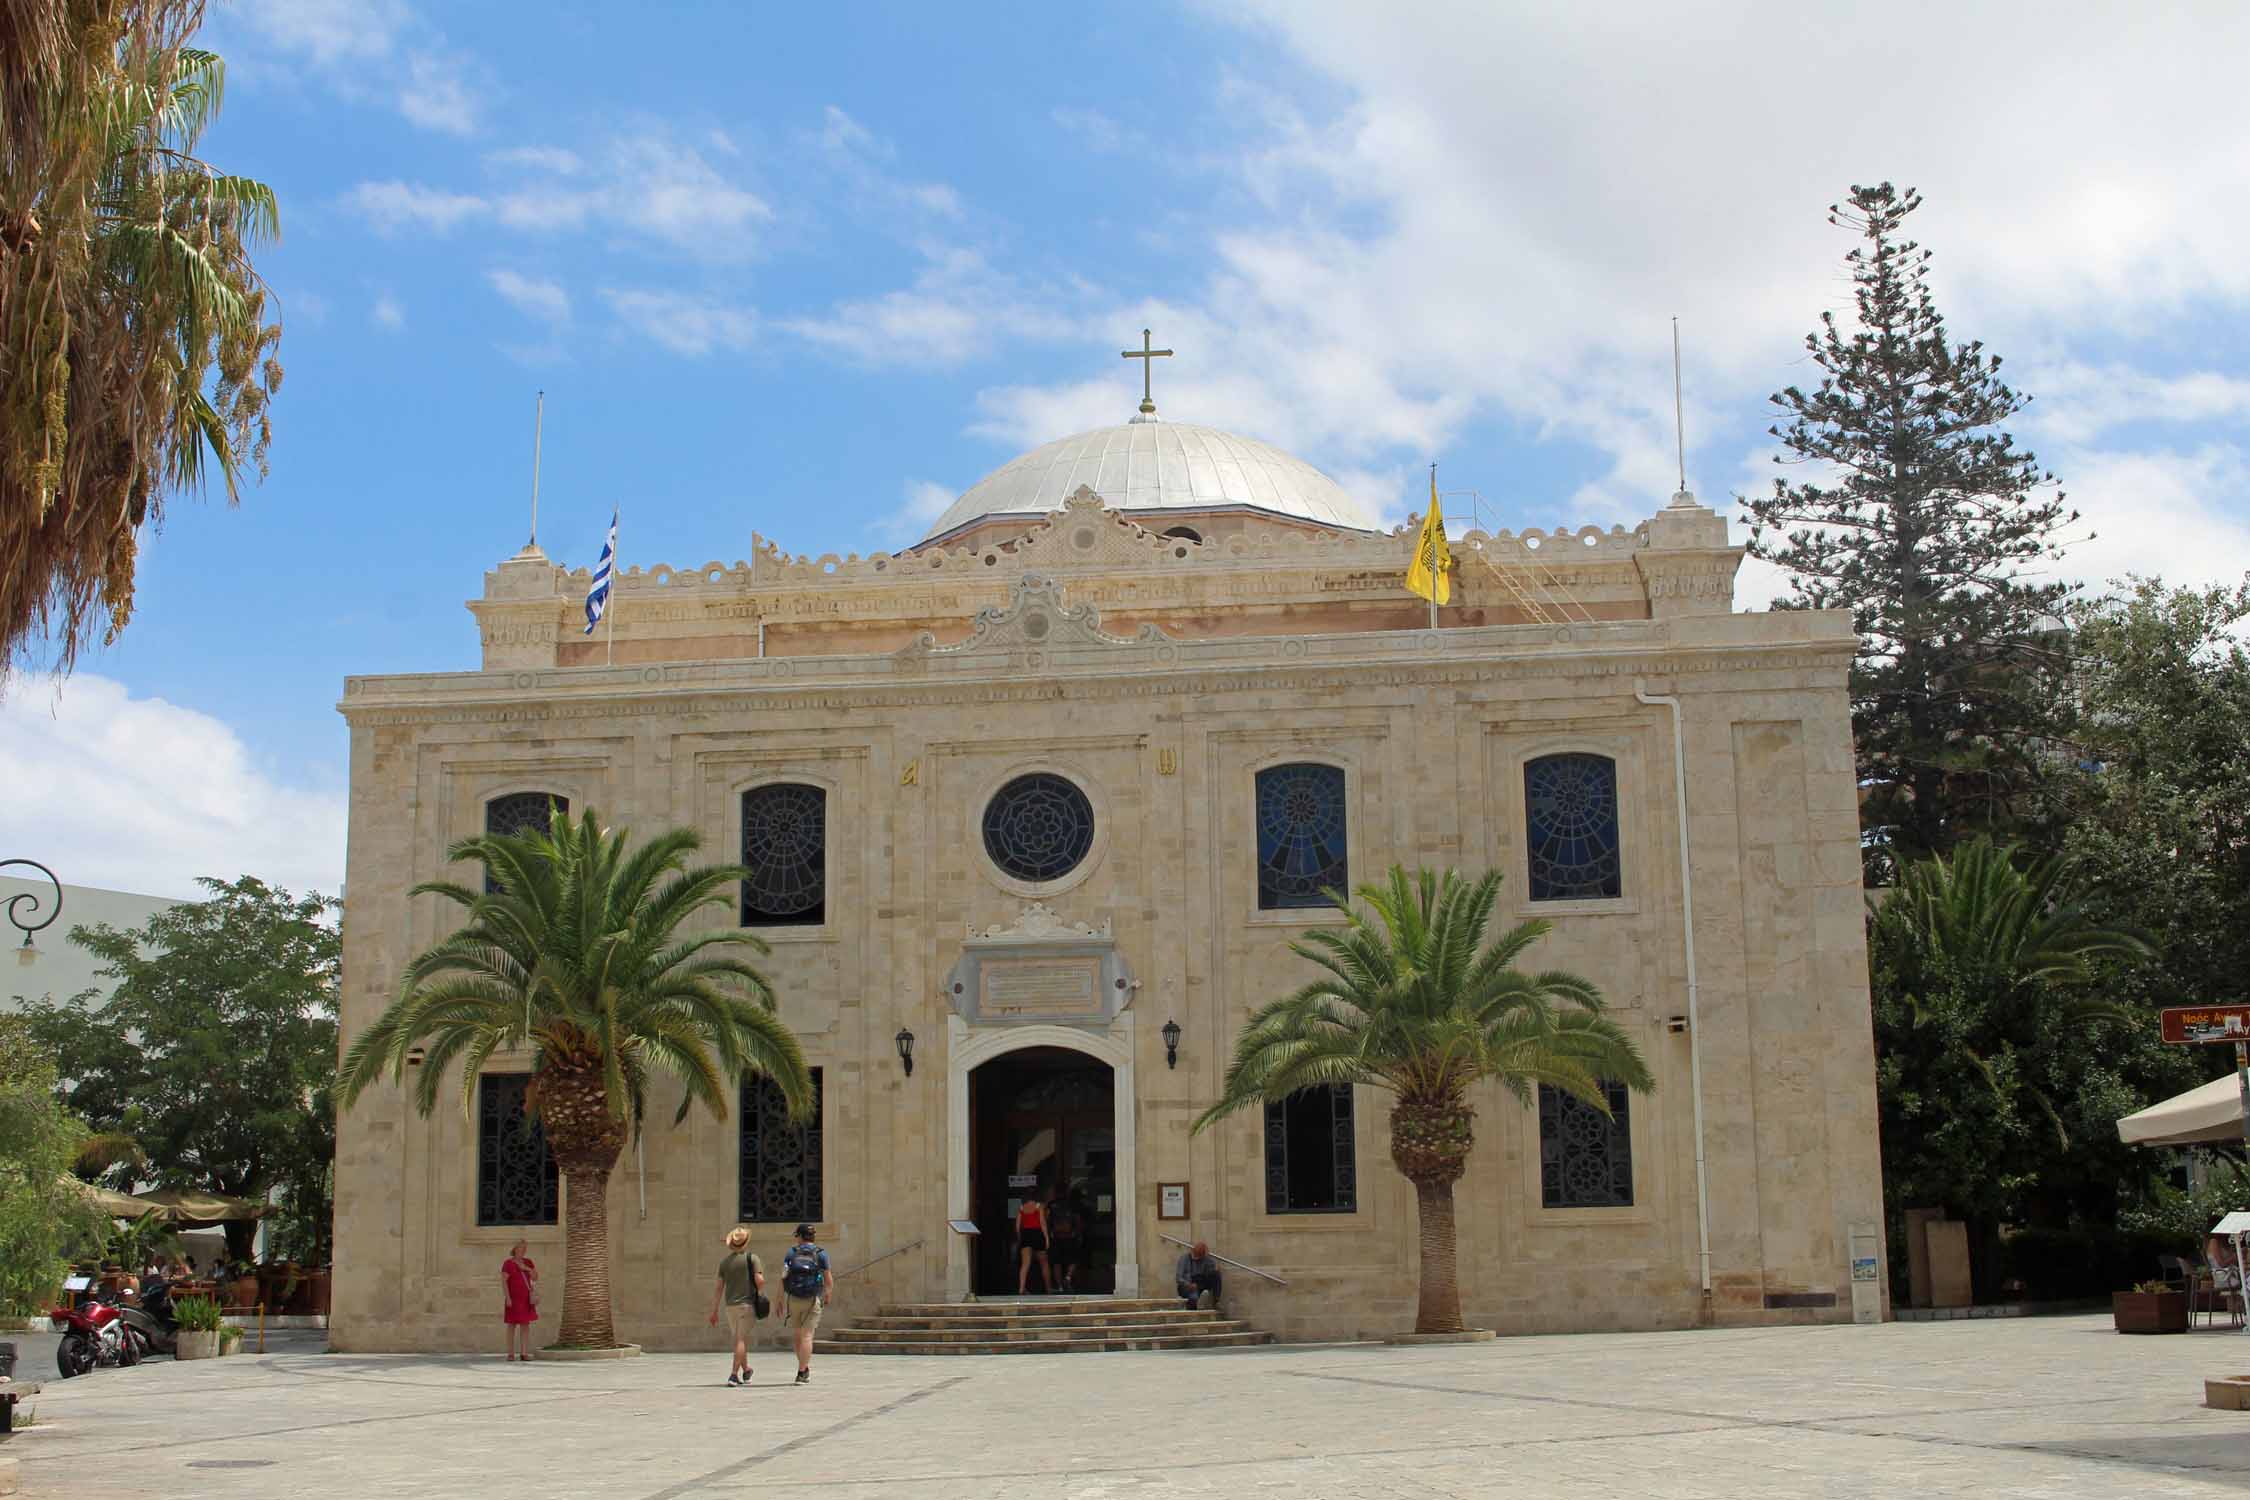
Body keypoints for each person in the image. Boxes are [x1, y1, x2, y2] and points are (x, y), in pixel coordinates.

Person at [707, 1225, 765, 1387]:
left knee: (740, 1339)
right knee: (741, 1339)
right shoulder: (752, 1259)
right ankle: (733, 1374)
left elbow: (719, 1288)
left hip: (730, 1306)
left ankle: (746, 1370)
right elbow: (760, 1281)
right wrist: (759, 1293)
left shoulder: (725, 1263)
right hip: (746, 1305)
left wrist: (714, 1311)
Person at [780, 1222, 832, 1385]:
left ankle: (803, 1367)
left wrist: (779, 1298)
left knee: (797, 1334)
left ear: (800, 1237)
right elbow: (828, 1280)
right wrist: (827, 1294)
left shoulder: (791, 1253)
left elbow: (782, 1277)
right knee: (807, 1335)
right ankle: (802, 1371)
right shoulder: (821, 1254)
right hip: (812, 1299)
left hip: (794, 1298)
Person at [501, 1239, 539, 1361]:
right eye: (520, 1248)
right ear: (515, 1249)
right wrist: (507, 1298)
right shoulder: (508, 1263)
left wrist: (526, 1268)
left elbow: (535, 1277)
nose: (523, 1250)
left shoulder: (528, 1262)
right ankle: (510, 1353)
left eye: (524, 1248)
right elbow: (504, 1282)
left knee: (525, 1325)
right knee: (512, 1325)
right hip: (513, 1298)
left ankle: (524, 1353)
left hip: (526, 1298)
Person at [1015, 1190, 1052, 1294]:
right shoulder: (1039, 1206)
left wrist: (1020, 1238)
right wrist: (1046, 1238)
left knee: (1025, 1263)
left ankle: (1021, 1288)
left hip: (1025, 1234)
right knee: (1044, 1262)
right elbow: (1042, 1222)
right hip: (1037, 1234)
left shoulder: (1021, 1208)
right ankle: (1048, 1288)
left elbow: (1017, 1226)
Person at [1047, 1187, 1083, 1294]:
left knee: (1056, 1262)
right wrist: (1077, 1233)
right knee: (1073, 1259)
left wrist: (1049, 1233)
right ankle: (1068, 1277)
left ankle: (1059, 1286)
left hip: (1056, 1237)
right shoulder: (1072, 1205)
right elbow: (1078, 1219)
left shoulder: (1051, 1205)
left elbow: (1046, 1220)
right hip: (1070, 1236)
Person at [1176, 1241, 1222, 1311]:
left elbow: (1211, 1270)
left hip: (1199, 1284)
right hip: (1187, 1286)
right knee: (1193, 1298)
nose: (1198, 1258)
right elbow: (1178, 1278)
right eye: (1196, 1255)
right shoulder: (1184, 1258)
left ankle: (1216, 1301)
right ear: (1193, 1251)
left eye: (1200, 1256)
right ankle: (1194, 1302)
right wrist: (1188, 1285)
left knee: (1216, 1274)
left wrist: (1213, 1265)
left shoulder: (1205, 1259)